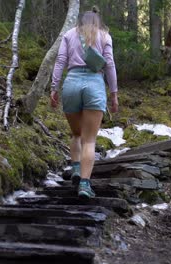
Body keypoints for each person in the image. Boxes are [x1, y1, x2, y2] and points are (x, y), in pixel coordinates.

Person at [50, 6, 119, 199]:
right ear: (97, 22)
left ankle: (76, 169)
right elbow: (110, 65)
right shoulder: (105, 36)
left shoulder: (69, 34)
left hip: (71, 84)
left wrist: (53, 88)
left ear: (79, 22)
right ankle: (85, 185)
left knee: (76, 134)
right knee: (89, 140)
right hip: (94, 85)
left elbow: (60, 60)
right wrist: (114, 93)